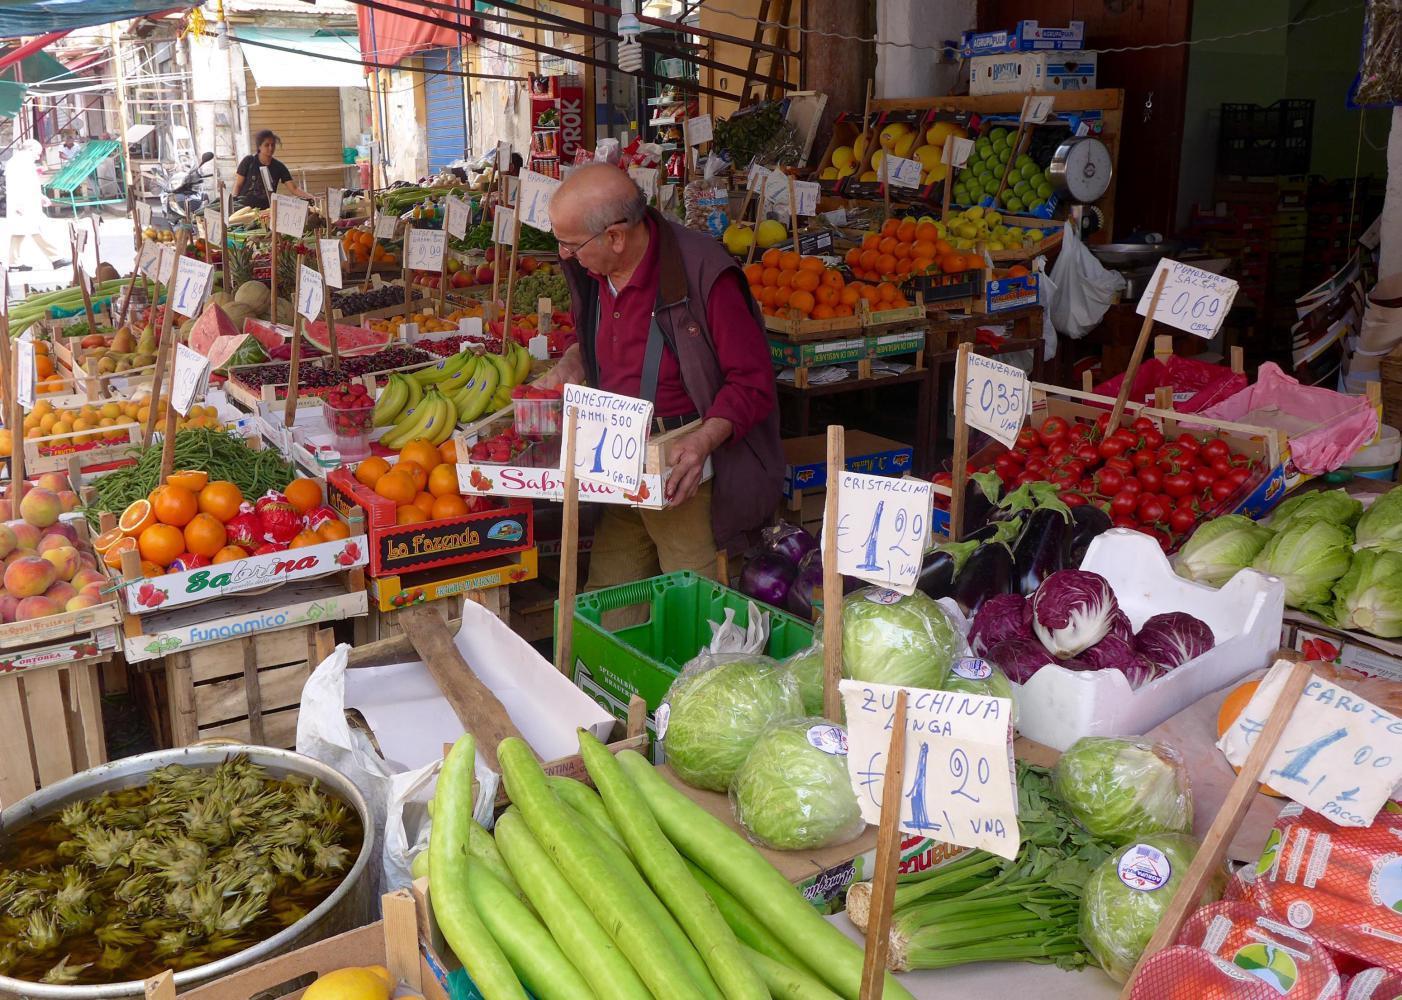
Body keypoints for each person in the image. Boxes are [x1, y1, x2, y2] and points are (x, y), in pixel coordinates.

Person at [537, 162, 782, 590]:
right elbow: (607, 336)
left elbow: (752, 380)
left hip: (682, 474)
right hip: (615, 462)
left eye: (570, 245)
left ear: (615, 236)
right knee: (608, 610)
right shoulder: (592, 271)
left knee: (697, 614)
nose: (564, 255)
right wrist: (577, 358)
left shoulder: (703, 274)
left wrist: (702, 441)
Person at [4, 139, 66, 270]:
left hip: (26, 202)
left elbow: (30, 185)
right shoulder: (19, 163)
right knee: (36, 230)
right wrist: (19, 204)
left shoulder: (19, 161)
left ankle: (14, 263)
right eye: (37, 153)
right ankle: (56, 258)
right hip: (23, 204)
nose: (38, 156)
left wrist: (41, 197)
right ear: (30, 149)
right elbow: (17, 186)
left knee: (20, 232)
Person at [233, 129, 312, 209]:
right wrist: (234, 203)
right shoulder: (249, 161)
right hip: (244, 209)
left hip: (265, 211)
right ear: (259, 146)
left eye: (273, 145)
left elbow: (294, 189)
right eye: (267, 145)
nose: (270, 148)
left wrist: (311, 197)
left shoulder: (279, 167)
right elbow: (238, 185)